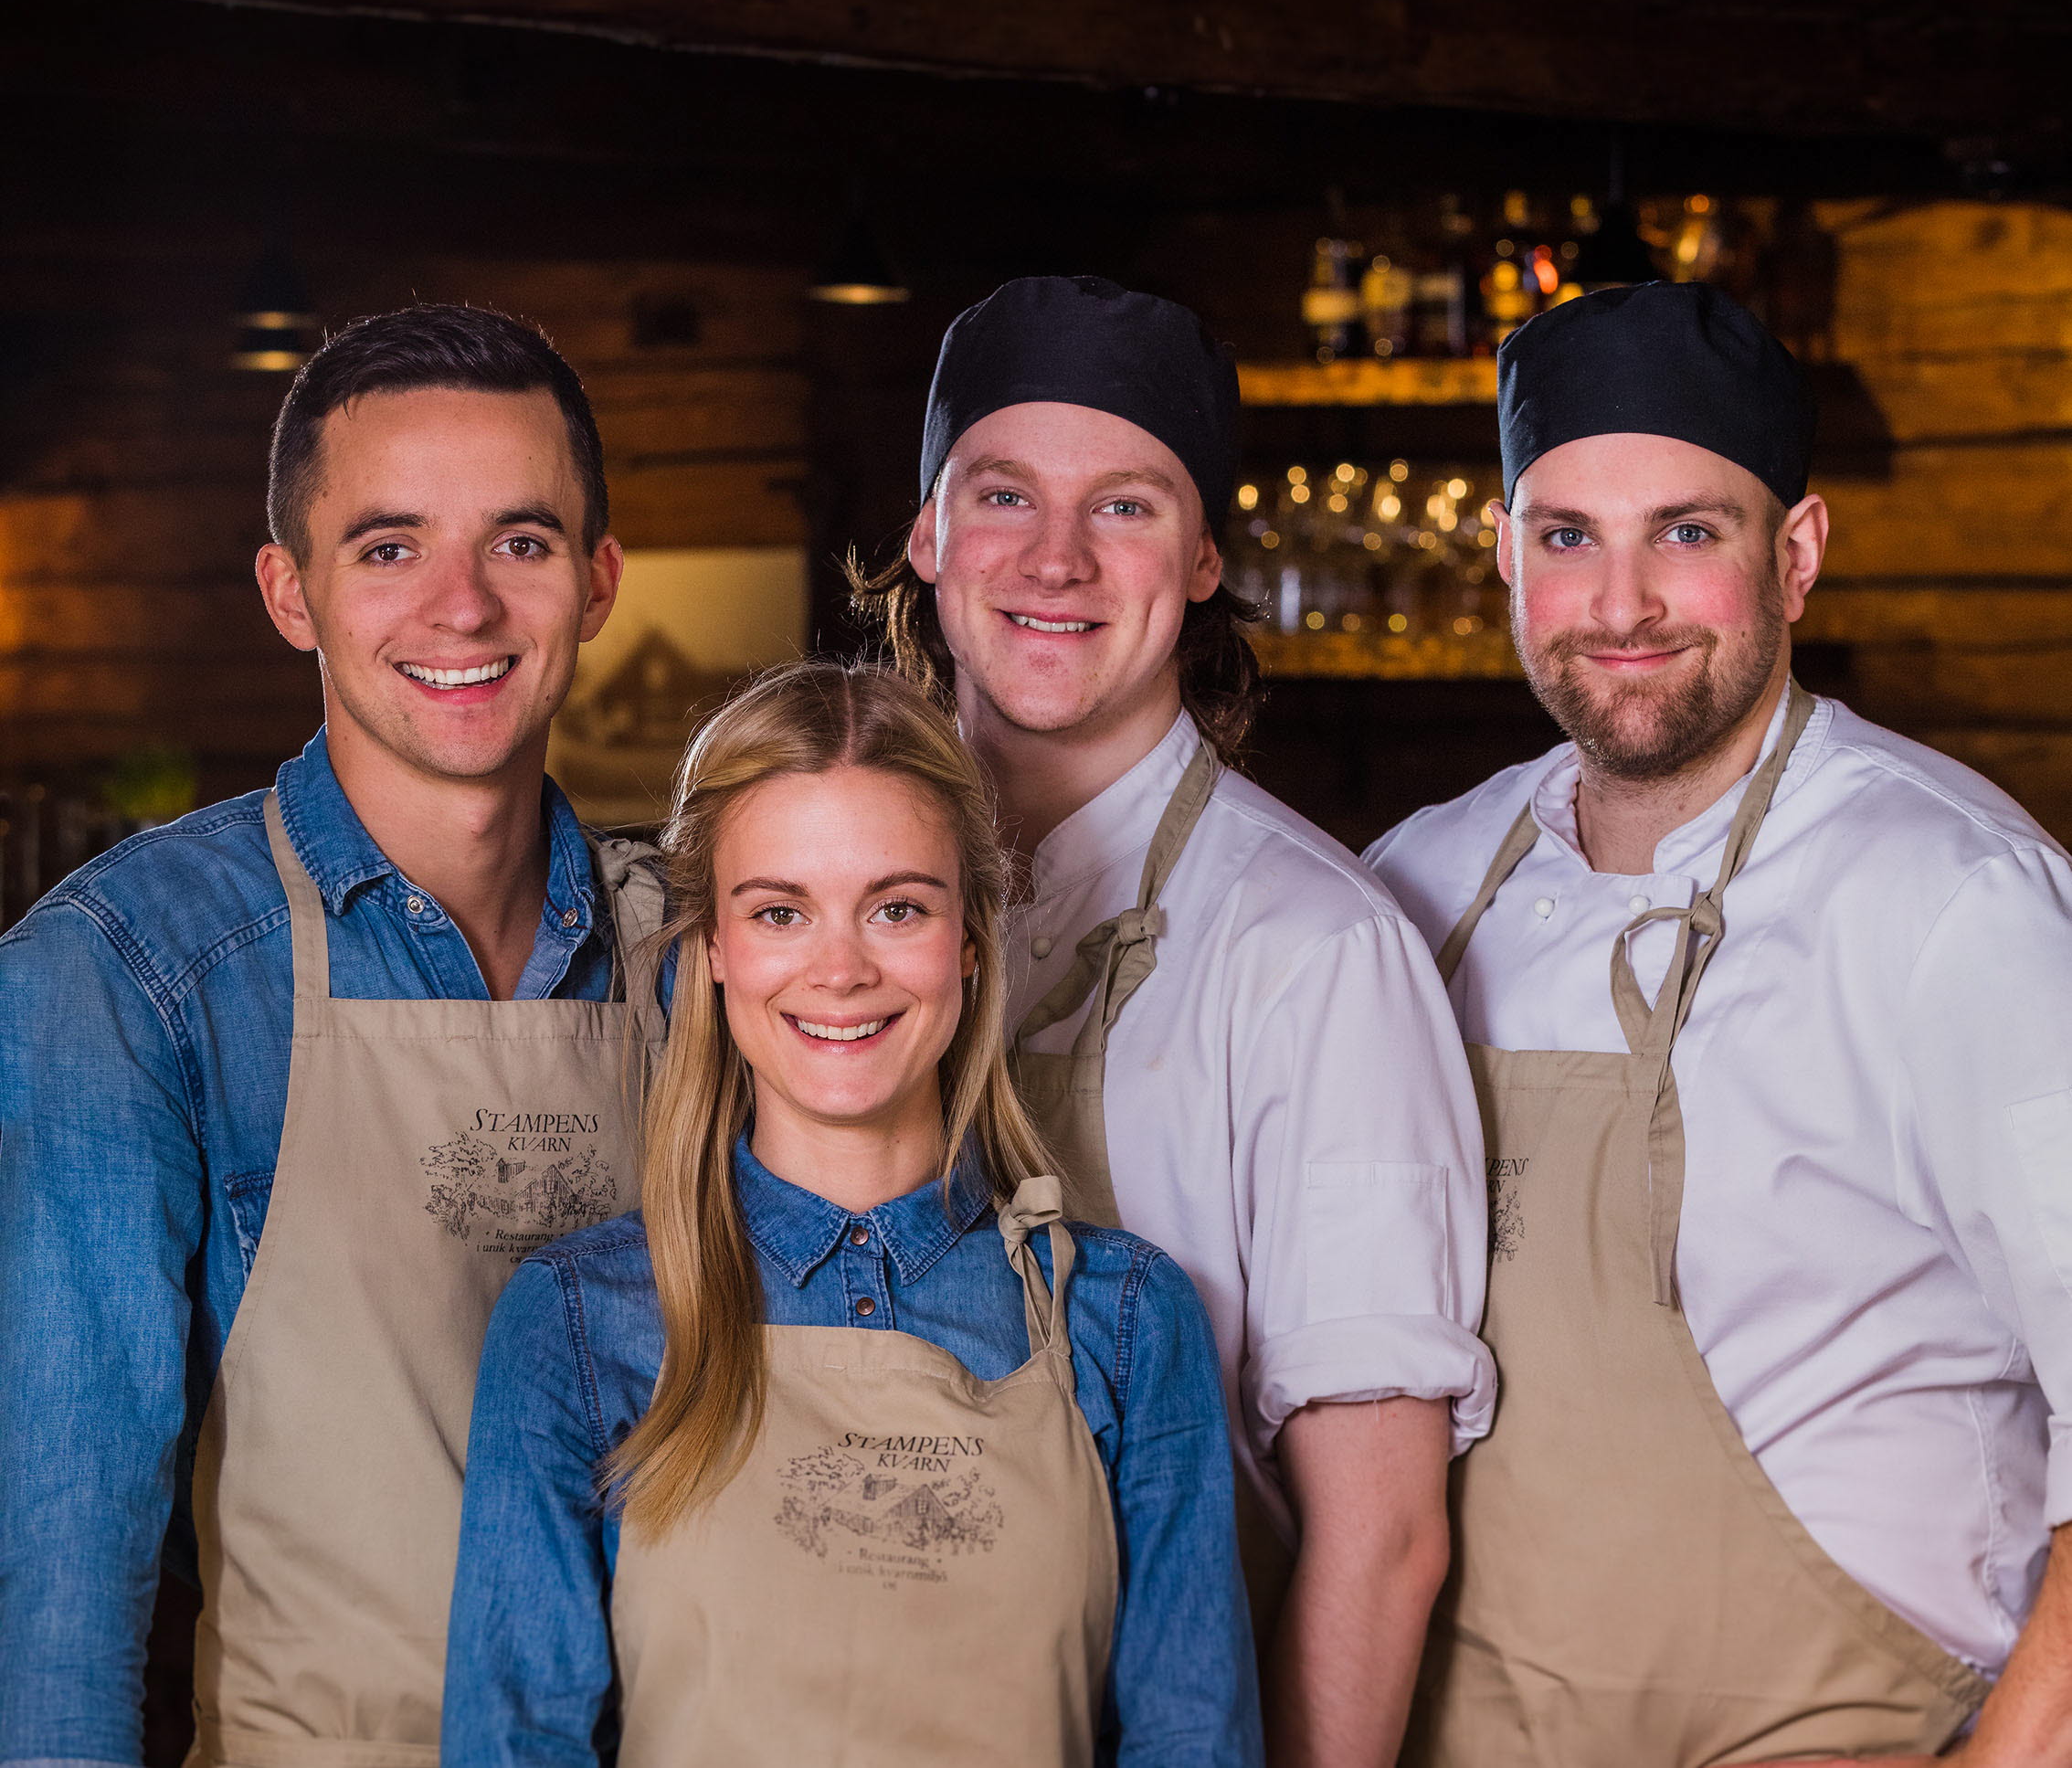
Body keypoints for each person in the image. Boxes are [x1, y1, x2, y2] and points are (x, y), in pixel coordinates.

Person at [1367, 280, 2072, 1766]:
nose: (1621, 603)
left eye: (1685, 532)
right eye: (1568, 536)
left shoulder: (1953, 899)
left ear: (1794, 555)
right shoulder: (1414, 890)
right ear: (1503, 554)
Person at [0, 305, 668, 1768]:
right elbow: (61, 1578)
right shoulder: (128, 972)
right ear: (290, 592)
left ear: (599, 581)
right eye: (387, 548)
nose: (462, 607)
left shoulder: (705, 955)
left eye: (521, 541)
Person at [853, 274, 1493, 1765]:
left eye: (1125, 507)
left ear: (1204, 558)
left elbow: (1381, 1537)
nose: (1056, 558)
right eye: (1003, 494)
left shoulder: (1315, 951)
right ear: (929, 533)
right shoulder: (816, 909)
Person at [442, 661, 1258, 1768]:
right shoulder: (580, 1320)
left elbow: (1192, 1741)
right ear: (714, 945)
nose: (840, 969)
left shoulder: (1126, 1319)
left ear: (970, 938)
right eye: (781, 911)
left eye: (897, 907)